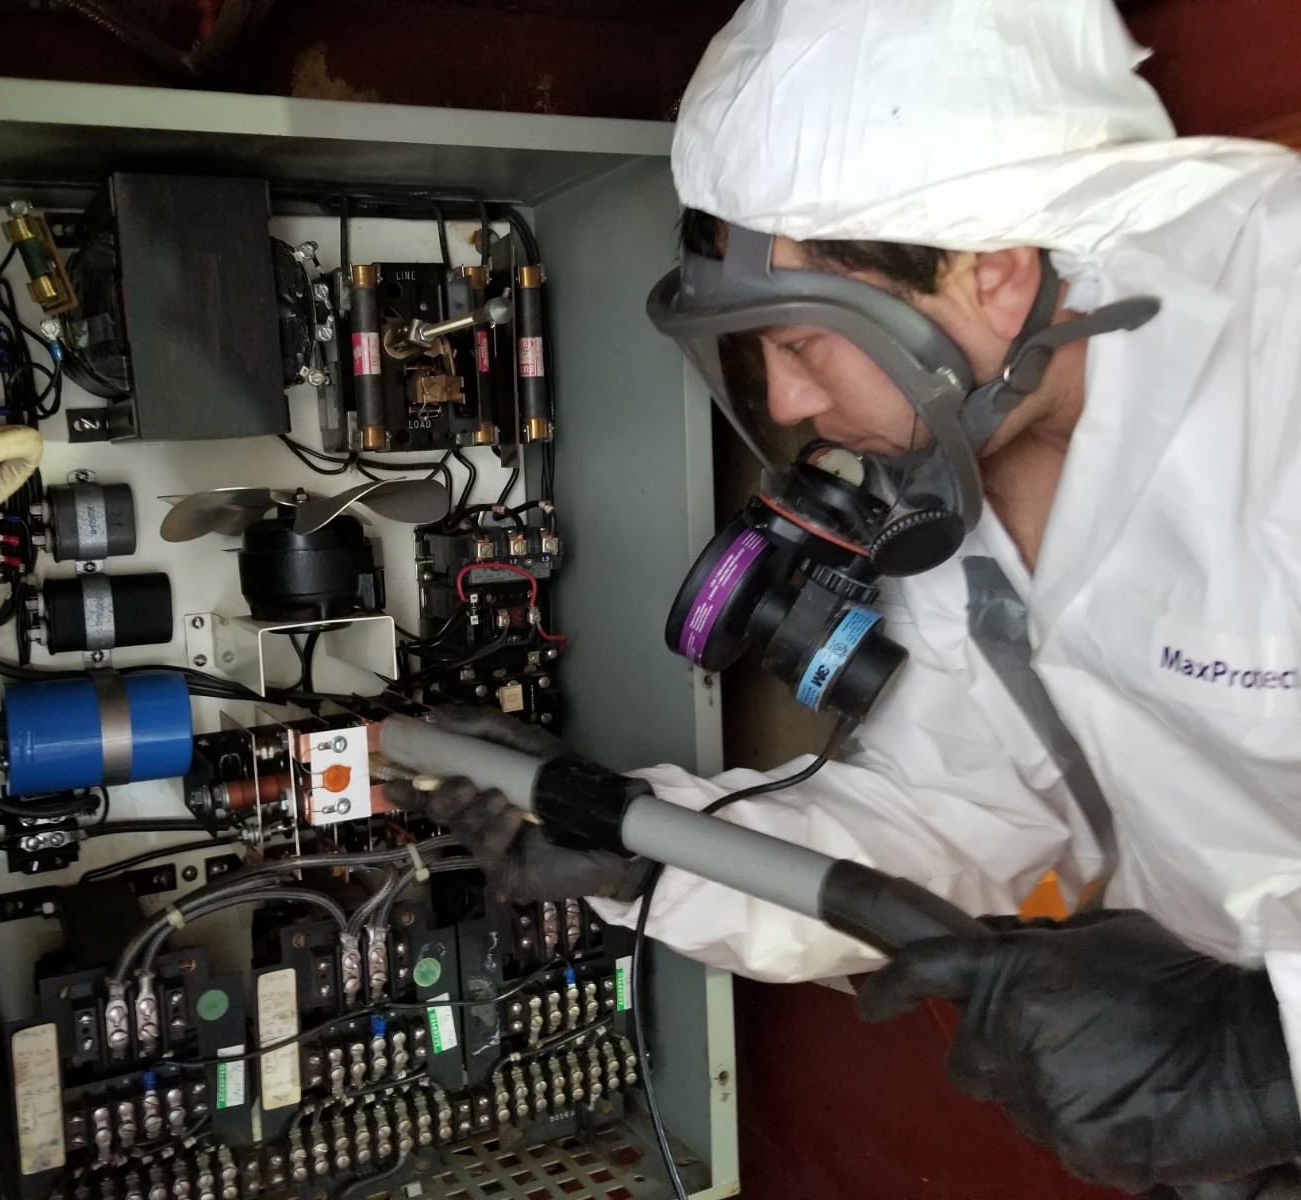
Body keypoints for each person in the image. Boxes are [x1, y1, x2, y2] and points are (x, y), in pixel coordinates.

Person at [384, 0, 1301, 1193]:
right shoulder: (962, 481)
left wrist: (1261, 1063)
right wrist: (635, 848)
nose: (789, 402)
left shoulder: (1274, 372)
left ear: (992, 274)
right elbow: (945, 815)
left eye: (801, 341)